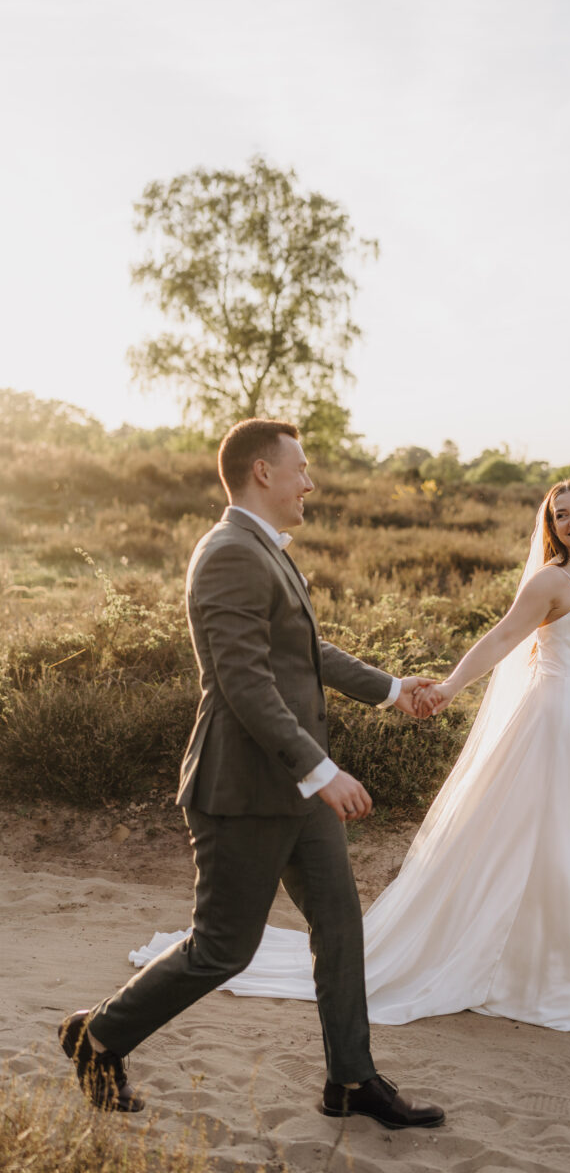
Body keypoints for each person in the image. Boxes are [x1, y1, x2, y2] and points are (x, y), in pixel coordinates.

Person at [133, 478, 570, 1031]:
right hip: (551, 720)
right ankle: (532, 963)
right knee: (542, 837)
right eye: (561, 514)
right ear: (550, 524)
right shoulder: (550, 580)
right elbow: (500, 638)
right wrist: (446, 687)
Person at [59, 419, 444, 1130]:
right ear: (262, 473)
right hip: (242, 789)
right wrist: (321, 770)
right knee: (221, 949)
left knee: (338, 924)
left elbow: (304, 650)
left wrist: (392, 690)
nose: (310, 482)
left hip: (295, 794)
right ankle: (99, 1035)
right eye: (301, 468)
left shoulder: (265, 551)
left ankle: (352, 1082)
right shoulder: (231, 553)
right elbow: (243, 682)